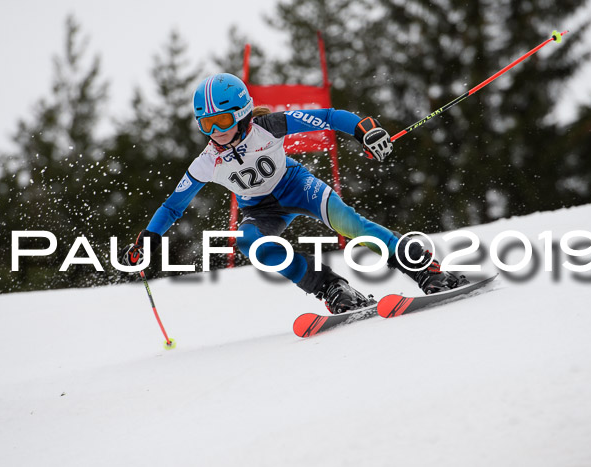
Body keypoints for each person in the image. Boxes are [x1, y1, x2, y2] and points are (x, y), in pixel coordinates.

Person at [121, 73, 465, 314]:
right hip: (261, 211)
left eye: (221, 121)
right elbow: (172, 205)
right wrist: (150, 237)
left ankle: (426, 269)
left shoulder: (270, 127)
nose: (214, 132)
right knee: (248, 241)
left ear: (241, 114)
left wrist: (365, 131)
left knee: (348, 224)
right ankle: (331, 287)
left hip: (296, 186)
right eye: (205, 124)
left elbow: (329, 117)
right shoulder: (206, 162)